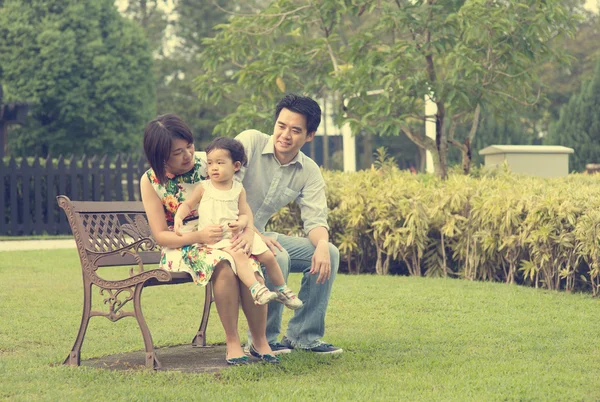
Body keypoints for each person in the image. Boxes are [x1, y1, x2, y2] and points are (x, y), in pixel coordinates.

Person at [139, 114, 278, 365]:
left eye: (189, 146)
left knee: (248, 263)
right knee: (223, 265)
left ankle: (260, 341)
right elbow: (161, 235)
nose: (188, 155)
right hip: (182, 244)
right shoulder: (150, 181)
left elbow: (238, 202)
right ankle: (233, 342)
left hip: (224, 235)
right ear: (161, 157)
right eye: (178, 152)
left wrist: (249, 232)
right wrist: (198, 236)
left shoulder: (209, 161)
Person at [232, 93, 342, 355]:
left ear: (309, 135)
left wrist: (323, 245)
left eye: (295, 130)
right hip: (230, 234)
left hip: (260, 236)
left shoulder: (309, 170)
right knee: (275, 256)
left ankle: (304, 336)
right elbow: (225, 194)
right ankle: (263, 341)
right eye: (281, 126)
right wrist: (255, 234)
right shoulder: (249, 142)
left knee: (330, 253)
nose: (285, 135)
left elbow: (315, 220)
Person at [173, 137, 303, 310]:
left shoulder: (238, 189)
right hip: (217, 239)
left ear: (235, 166)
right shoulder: (205, 187)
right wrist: (178, 217)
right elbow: (188, 204)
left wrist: (242, 223)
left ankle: (282, 289)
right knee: (240, 255)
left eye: (220, 163)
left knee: (269, 256)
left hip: (238, 235)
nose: (213, 168)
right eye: (210, 163)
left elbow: (245, 212)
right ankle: (256, 289)